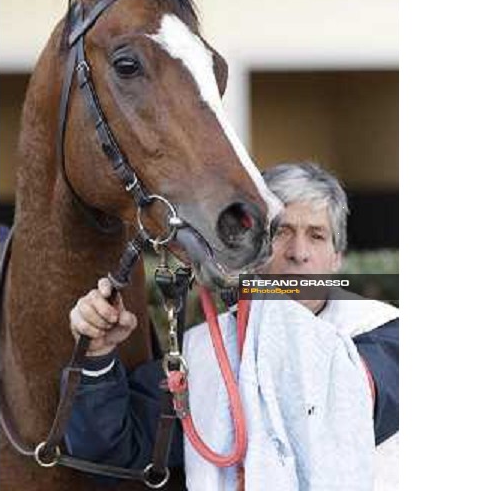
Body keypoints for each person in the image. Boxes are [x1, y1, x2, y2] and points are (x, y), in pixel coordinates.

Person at [65, 162, 399, 485]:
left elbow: (340, 408)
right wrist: (96, 357)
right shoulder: (202, 350)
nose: (299, 253)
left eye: (316, 235)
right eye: (281, 231)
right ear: (252, 249)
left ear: (336, 258)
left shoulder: (388, 332)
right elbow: (110, 452)